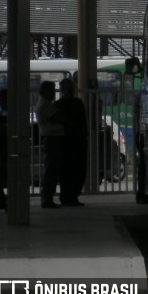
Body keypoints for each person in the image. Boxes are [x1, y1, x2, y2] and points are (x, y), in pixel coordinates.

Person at [55, 78, 87, 206]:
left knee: (65, 170)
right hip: (78, 141)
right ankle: (73, 197)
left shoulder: (58, 104)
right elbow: (83, 122)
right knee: (78, 170)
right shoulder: (78, 103)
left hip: (65, 141)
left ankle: (66, 196)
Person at [35, 81, 66, 209]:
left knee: (51, 170)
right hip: (52, 139)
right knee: (51, 171)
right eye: (51, 90)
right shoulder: (45, 105)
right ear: (44, 91)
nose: (54, 93)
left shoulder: (44, 103)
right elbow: (60, 117)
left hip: (52, 139)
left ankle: (47, 198)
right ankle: (47, 199)